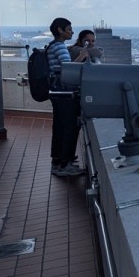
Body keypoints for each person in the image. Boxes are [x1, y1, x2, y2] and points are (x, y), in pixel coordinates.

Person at [47, 17, 88, 177]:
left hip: (57, 93)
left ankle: (58, 161)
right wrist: (83, 56)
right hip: (64, 94)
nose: (71, 32)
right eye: (69, 29)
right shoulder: (60, 48)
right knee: (68, 127)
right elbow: (68, 70)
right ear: (60, 30)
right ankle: (65, 164)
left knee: (59, 127)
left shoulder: (53, 46)